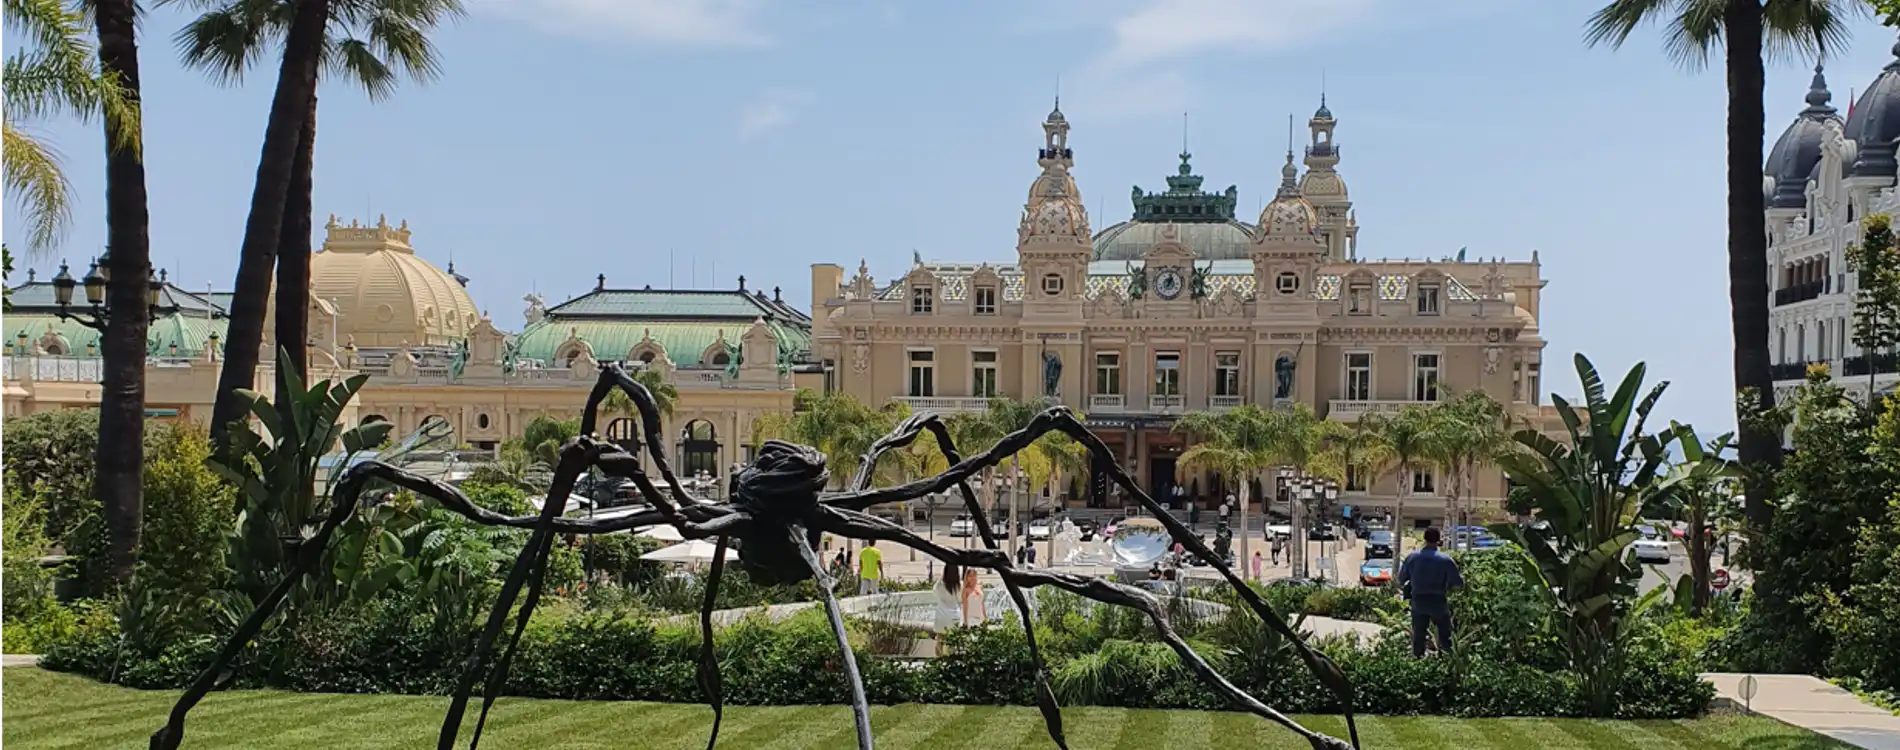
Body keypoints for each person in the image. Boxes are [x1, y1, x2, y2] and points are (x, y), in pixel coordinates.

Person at [1396, 527, 1464, 657]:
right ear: (1439, 540)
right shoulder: (1446, 560)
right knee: (1445, 637)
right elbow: (1458, 583)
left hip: (1418, 601)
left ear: (1424, 539)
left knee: (1418, 636)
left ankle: (1417, 664)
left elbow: (1400, 579)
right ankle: (1446, 663)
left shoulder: (1412, 558)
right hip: (1438, 601)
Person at [934, 562, 963, 647]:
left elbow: (935, 593)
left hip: (942, 614)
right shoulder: (959, 585)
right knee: (953, 641)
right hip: (954, 615)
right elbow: (960, 599)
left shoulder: (940, 584)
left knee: (939, 639)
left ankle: (939, 658)